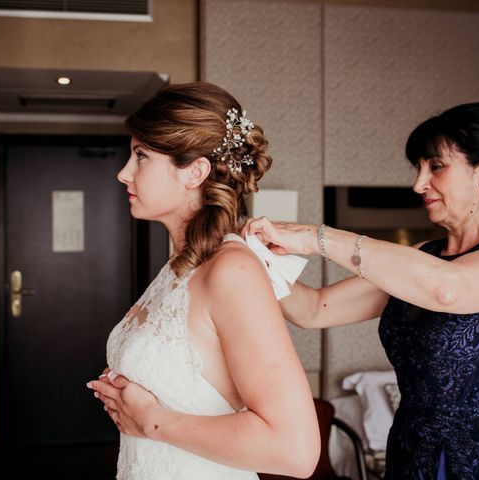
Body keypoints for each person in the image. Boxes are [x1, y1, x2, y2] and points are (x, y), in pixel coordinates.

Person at [244, 101, 479, 479]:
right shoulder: (421, 259)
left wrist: (315, 237)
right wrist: (251, 255)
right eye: (419, 168)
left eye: (436, 166)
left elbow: (449, 289)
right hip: (409, 456)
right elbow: (313, 309)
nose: (419, 183)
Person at [86, 82, 320, 480]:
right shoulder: (181, 266)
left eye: (140, 157)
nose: (123, 173)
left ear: (195, 171)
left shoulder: (232, 270)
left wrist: (152, 420)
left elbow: (295, 450)